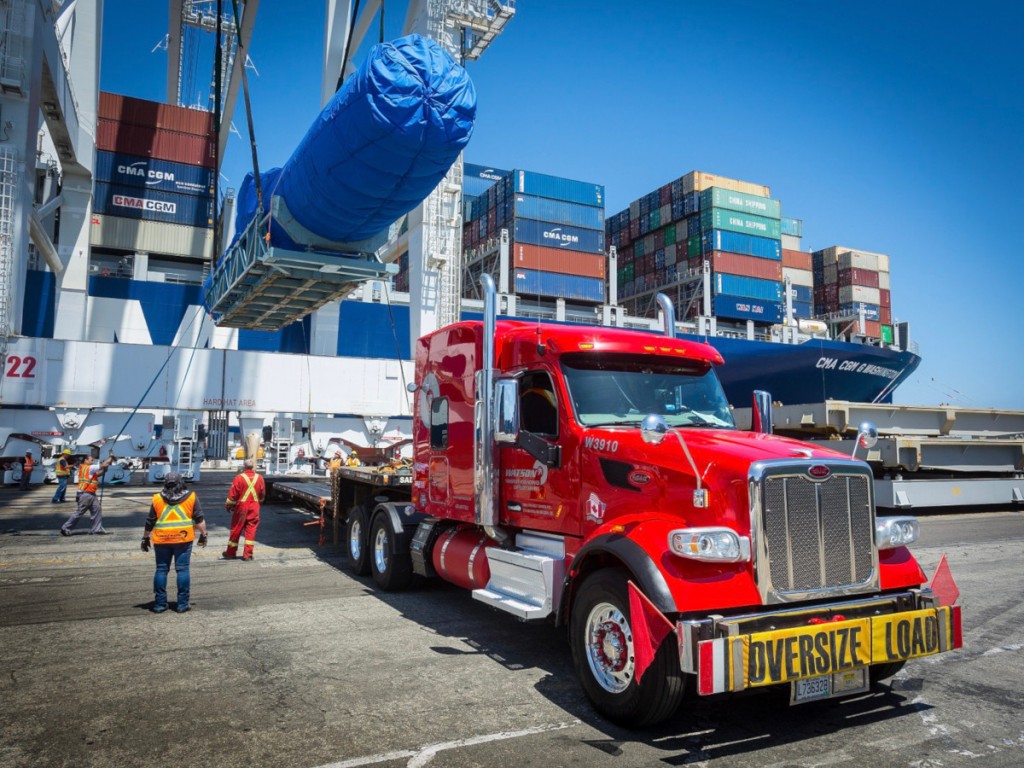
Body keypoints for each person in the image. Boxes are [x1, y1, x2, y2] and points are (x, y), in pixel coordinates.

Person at [141, 472, 207, 613]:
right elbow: (199, 519)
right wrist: (204, 534)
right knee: (182, 570)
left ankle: (159, 604)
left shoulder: (157, 498)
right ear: (181, 482)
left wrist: (145, 537)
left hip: (162, 540)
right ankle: (182, 604)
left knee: (161, 570)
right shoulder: (191, 497)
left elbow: (150, 521)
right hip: (182, 540)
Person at [60, 454, 115, 536]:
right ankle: (65, 528)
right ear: (86, 460)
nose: (92, 461)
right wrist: (111, 458)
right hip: (85, 494)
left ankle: (96, 530)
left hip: (91, 494)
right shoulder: (89, 467)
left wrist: (105, 469)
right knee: (79, 512)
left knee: (97, 509)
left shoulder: (85, 468)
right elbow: (103, 465)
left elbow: (98, 474)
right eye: (91, 460)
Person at [223, 458, 265, 561]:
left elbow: (232, 496)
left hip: (241, 508)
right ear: (253, 467)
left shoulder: (239, 478)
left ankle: (230, 553)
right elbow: (262, 495)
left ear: (244, 466)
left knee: (236, 529)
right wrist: (259, 503)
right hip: (254, 508)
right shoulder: (259, 478)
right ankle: (248, 555)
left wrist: (228, 506)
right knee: (251, 531)